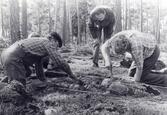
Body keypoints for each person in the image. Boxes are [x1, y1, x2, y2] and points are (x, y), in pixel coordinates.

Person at [1, 32, 83, 86]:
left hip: (7, 54)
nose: (56, 49)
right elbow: (60, 62)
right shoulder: (48, 42)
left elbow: (38, 65)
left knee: (28, 72)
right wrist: (72, 75)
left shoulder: (40, 45)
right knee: (19, 89)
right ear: (53, 39)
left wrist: (44, 81)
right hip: (13, 56)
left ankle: (8, 80)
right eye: (57, 46)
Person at [101, 30, 167, 87]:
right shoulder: (116, 38)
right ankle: (162, 72)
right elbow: (104, 47)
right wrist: (107, 60)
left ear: (126, 47)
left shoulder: (135, 47)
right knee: (132, 74)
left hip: (152, 51)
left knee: (142, 78)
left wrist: (135, 84)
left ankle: (164, 79)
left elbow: (139, 67)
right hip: (143, 49)